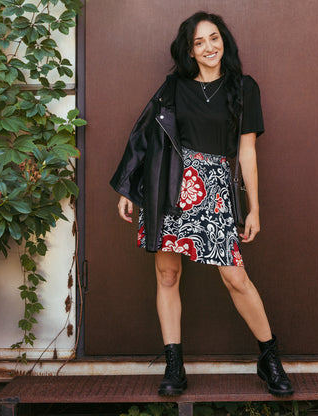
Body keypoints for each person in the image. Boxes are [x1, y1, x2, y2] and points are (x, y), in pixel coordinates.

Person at [110, 11, 293, 397]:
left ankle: (269, 357)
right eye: (199, 42)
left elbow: (247, 153)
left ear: (224, 41)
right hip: (169, 186)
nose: (208, 47)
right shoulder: (174, 86)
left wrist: (254, 208)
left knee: (235, 278)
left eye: (214, 38)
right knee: (167, 276)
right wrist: (128, 187)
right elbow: (143, 135)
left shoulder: (243, 87)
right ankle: (174, 366)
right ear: (189, 51)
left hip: (215, 188)